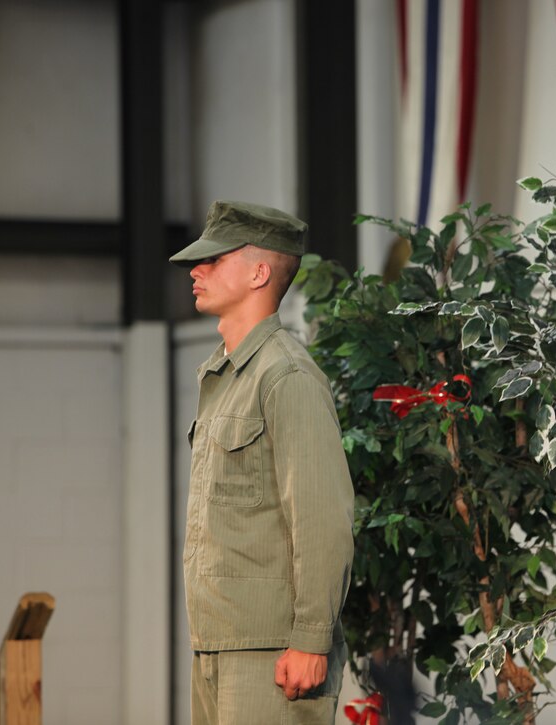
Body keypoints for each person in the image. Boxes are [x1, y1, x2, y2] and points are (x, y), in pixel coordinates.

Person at [170, 200, 354, 725]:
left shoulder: (285, 376)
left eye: (214, 259)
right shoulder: (226, 377)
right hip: (220, 643)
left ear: (259, 272)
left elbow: (321, 516)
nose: (196, 270)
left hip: (270, 651)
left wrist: (311, 639)